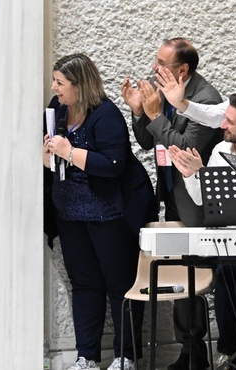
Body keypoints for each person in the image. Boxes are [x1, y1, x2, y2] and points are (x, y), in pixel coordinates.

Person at [44, 53, 157, 370]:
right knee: (84, 285)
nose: (54, 88)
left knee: (120, 285)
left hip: (108, 213)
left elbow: (113, 166)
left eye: (60, 82)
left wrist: (70, 152)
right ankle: (87, 357)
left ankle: (126, 356)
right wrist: (48, 158)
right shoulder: (57, 109)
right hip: (70, 213)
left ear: (79, 86)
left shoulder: (105, 114)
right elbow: (54, 156)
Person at [121, 37, 223, 370]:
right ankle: (189, 351)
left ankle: (203, 352)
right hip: (172, 197)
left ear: (183, 69)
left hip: (197, 202)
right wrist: (140, 111)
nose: (154, 69)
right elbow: (147, 139)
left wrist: (153, 113)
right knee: (182, 274)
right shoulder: (163, 86)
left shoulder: (206, 99)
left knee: (196, 275)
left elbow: (184, 149)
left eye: (161, 64)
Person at [168, 92, 236, 370]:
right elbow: (202, 199)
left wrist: (203, 173)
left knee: (232, 272)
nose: (222, 125)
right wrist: (192, 174)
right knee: (223, 271)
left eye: (230, 122)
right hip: (229, 240)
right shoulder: (220, 150)